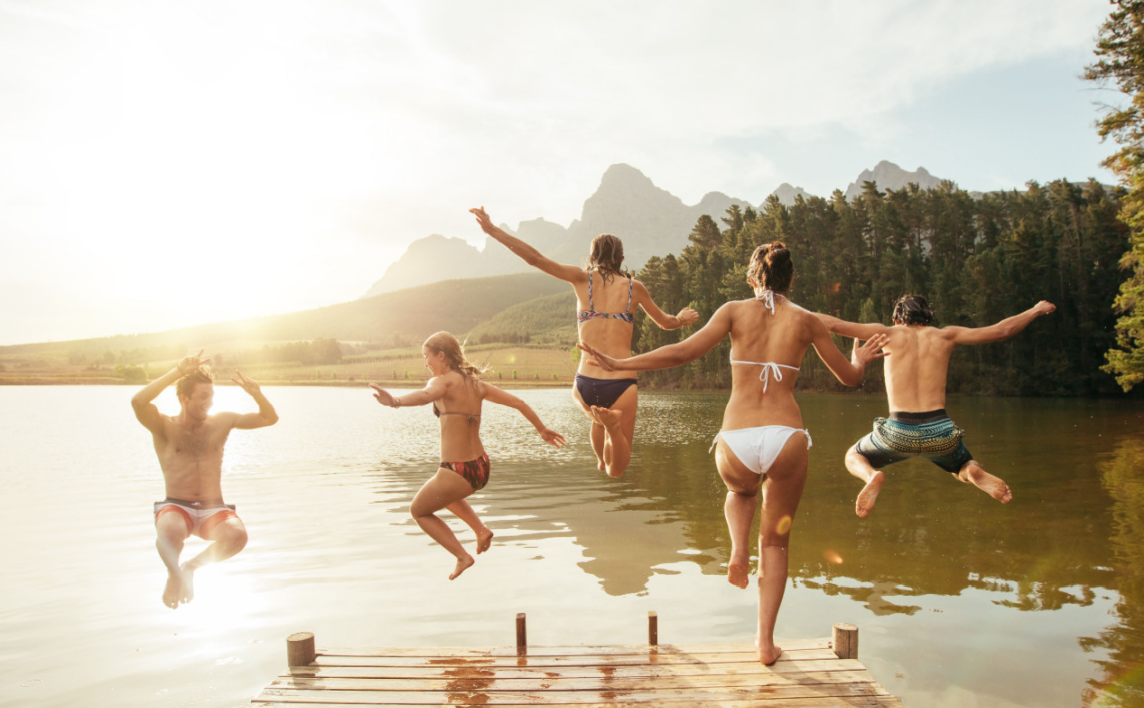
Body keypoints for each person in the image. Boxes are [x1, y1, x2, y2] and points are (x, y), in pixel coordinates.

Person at [580, 242, 887, 665]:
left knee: (741, 492)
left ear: (751, 277)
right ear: (791, 279)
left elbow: (683, 352)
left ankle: (738, 547)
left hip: (737, 438)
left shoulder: (733, 311)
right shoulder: (808, 321)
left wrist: (621, 364)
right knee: (776, 545)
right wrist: (860, 356)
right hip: (786, 436)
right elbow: (850, 378)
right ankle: (764, 643)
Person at [470, 206, 698, 477]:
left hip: (585, 383)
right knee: (617, 469)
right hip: (621, 382)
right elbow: (665, 322)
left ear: (592, 256)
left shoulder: (581, 279)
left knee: (597, 426)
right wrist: (682, 318)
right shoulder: (635, 288)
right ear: (621, 258)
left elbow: (535, 259)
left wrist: (492, 230)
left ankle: (600, 456)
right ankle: (612, 432)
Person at [819, 294, 1056, 516]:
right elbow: (1002, 330)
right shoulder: (946, 335)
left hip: (899, 431)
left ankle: (871, 476)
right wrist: (1035, 310)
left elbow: (832, 324)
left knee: (854, 455)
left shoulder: (886, 333)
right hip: (940, 432)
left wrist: (783, 307)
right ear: (928, 317)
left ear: (896, 318)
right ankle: (971, 471)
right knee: (961, 465)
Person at [371, 331, 567, 580]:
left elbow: (424, 396)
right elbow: (518, 402)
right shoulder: (477, 385)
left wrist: (394, 401)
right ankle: (480, 529)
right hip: (481, 467)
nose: (425, 363)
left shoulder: (442, 382)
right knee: (441, 493)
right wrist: (541, 429)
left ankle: (462, 556)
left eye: (426, 357)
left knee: (418, 511)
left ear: (441, 356)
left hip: (457, 470)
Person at [131, 351, 279, 609]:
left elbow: (270, 419)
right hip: (176, 506)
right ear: (183, 398)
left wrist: (256, 394)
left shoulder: (222, 422)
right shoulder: (163, 426)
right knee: (170, 531)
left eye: (211, 397)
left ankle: (189, 568)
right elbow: (138, 402)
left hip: (214, 508)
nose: (209, 403)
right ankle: (174, 573)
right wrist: (178, 371)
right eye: (202, 397)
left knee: (237, 537)